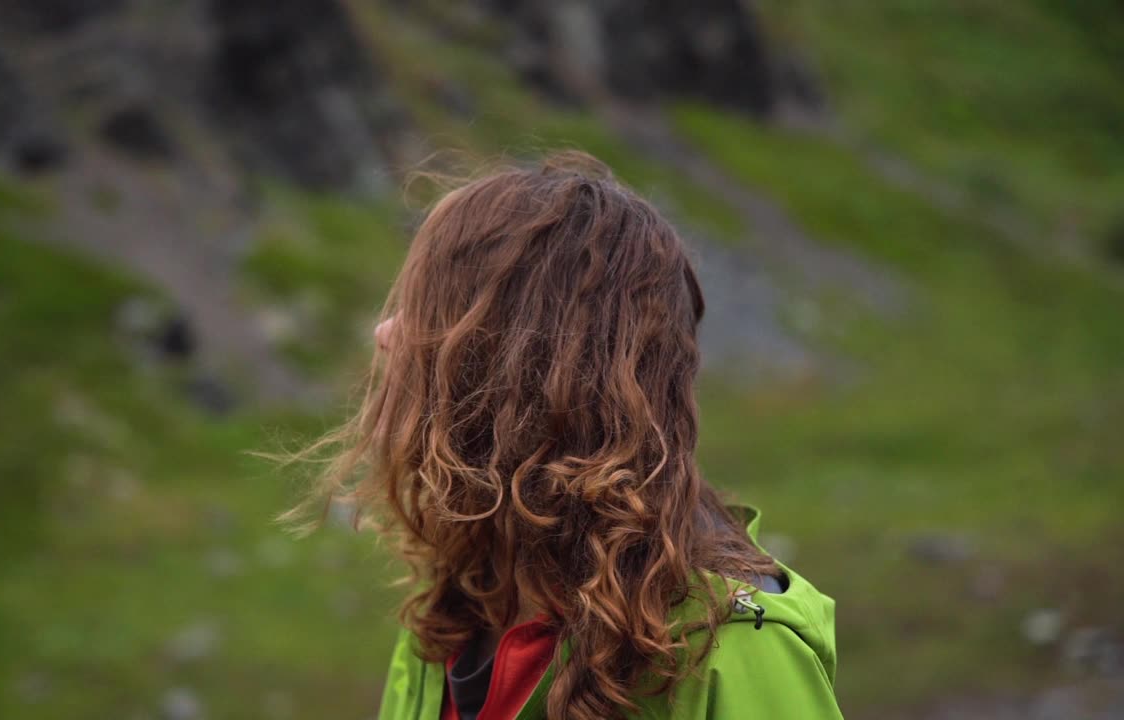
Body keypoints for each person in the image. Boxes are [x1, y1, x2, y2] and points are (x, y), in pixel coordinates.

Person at [290, 153, 843, 719]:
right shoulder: (454, 620)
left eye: (433, 310)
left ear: (524, 364)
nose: (387, 333)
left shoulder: (737, 651)